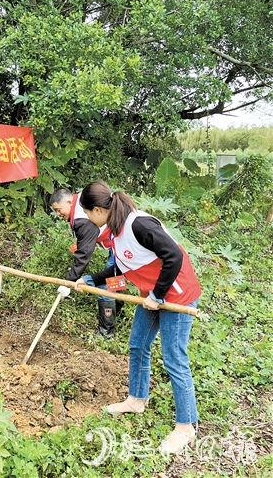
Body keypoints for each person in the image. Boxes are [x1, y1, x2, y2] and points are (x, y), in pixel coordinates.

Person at [73, 181, 201, 455]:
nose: (87, 219)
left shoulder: (139, 225)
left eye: (87, 213)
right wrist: (92, 279)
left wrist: (158, 295)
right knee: (138, 345)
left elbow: (174, 255)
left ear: (98, 210)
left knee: (174, 359)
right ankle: (136, 399)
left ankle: (186, 427)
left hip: (176, 295)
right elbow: (122, 265)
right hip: (151, 295)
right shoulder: (115, 230)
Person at [50, 188, 122, 337]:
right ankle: (118, 315)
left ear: (69, 201)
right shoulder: (84, 197)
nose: (58, 214)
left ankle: (106, 333)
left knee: (105, 287)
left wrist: (67, 282)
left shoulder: (81, 218)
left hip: (121, 245)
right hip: (118, 242)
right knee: (115, 279)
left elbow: (83, 256)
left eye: (58, 209)